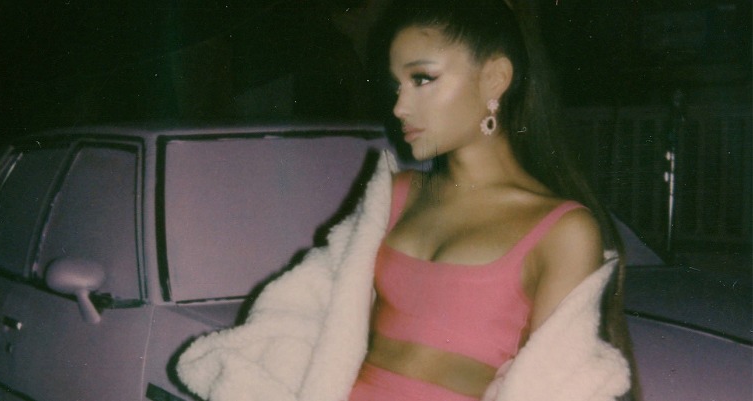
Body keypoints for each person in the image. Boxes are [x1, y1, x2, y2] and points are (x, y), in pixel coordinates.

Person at [176, 1, 638, 400]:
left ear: (495, 79)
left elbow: (553, 381)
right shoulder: (394, 196)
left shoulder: (562, 230)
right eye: (396, 85)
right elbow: (298, 311)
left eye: (422, 78)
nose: (399, 107)